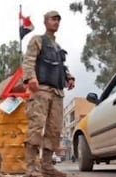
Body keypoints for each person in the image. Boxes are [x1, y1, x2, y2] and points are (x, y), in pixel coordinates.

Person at [22, 10, 75, 177]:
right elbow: (29, 59)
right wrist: (31, 77)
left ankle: (46, 165)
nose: (56, 22)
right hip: (41, 90)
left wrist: (69, 77)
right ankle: (31, 167)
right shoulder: (38, 40)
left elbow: (60, 66)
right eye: (53, 19)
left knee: (54, 130)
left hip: (58, 93)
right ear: (45, 22)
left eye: (58, 20)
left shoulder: (58, 47)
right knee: (36, 126)